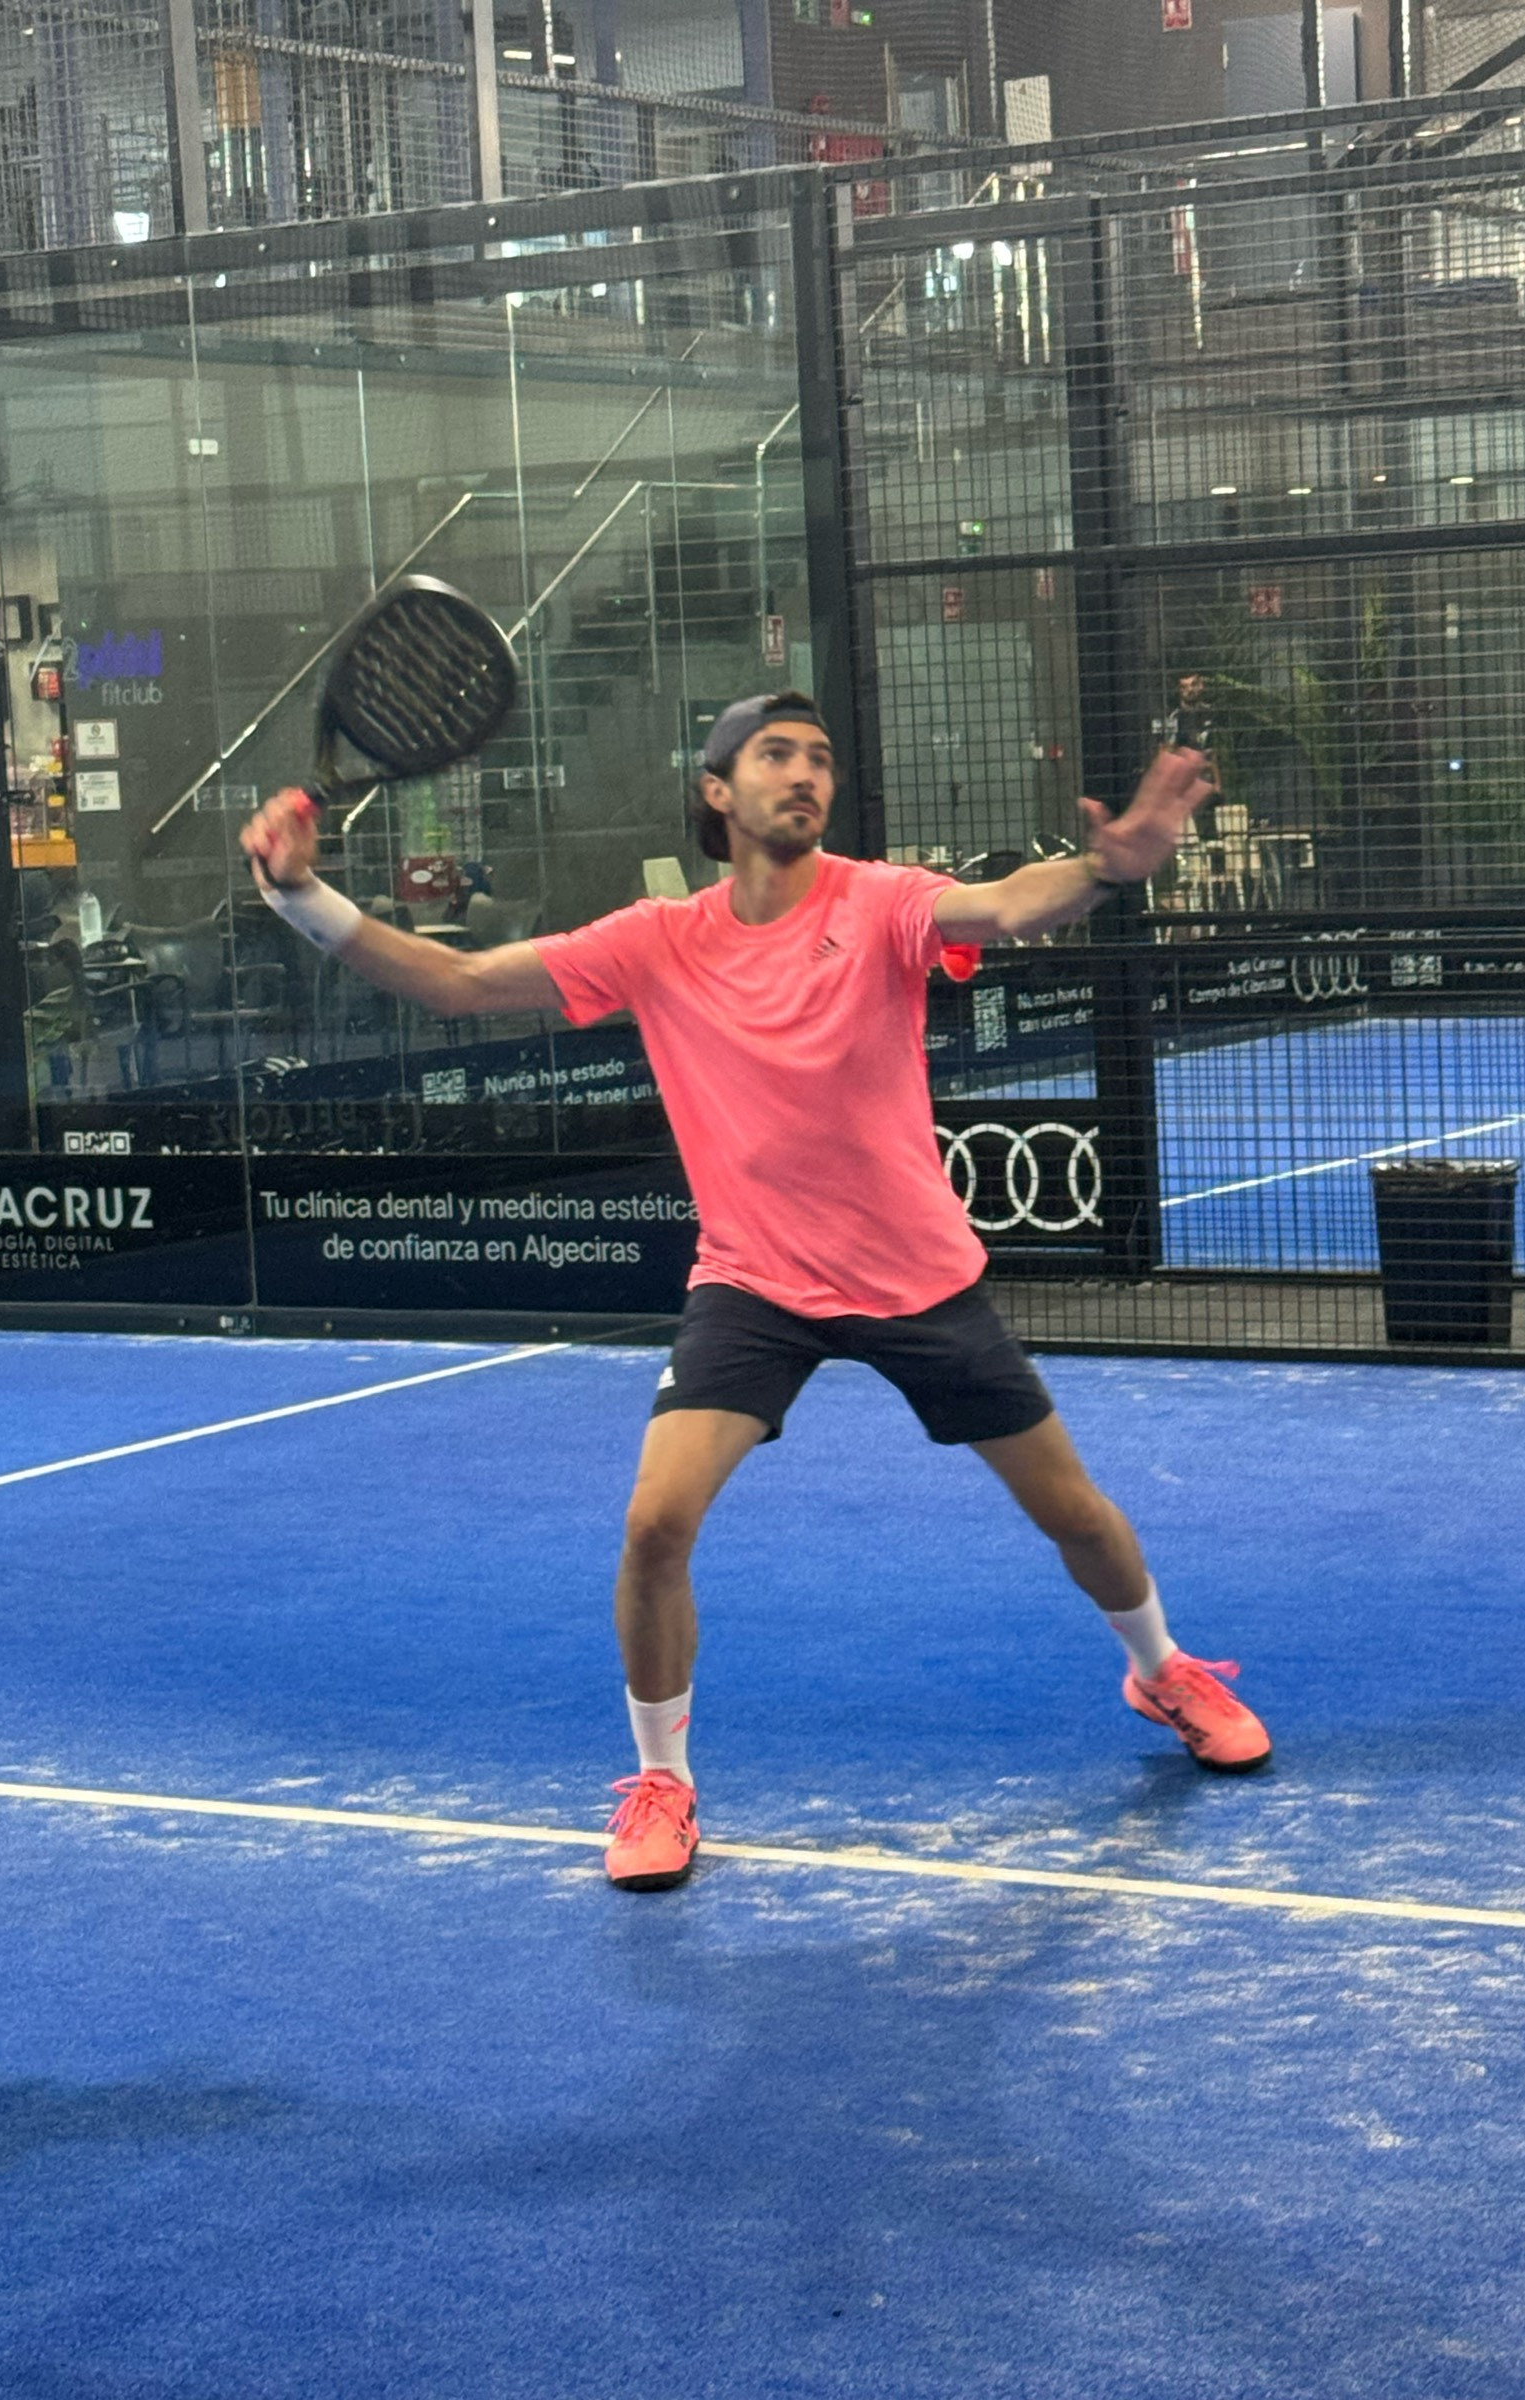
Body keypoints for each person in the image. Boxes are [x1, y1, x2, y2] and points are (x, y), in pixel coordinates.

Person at [241, 694, 1271, 1893]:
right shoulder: (657, 939)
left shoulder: (879, 901)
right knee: (654, 1524)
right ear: (718, 792)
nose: (806, 773)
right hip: (754, 1281)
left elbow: (1001, 904)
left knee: (1075, 1515)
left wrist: (1104, 869)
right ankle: (662, 1783)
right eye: (776, 755)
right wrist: (299, 896)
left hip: (913, 1278)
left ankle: (1160, 1668)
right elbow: (459, 982)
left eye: (820, 757)